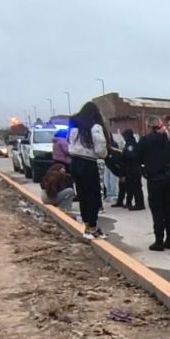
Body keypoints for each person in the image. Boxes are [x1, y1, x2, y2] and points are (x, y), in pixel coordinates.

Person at [69, 101, 109, 240]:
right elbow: (100, 147)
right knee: (93, 195)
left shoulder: (75, 128)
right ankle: (92, 226)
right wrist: (103, 155)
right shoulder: (95, 127)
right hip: (88, 163)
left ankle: (87, 226)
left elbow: (70, 143)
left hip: (74, 162)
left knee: (83, 196)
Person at [139, 116, 170, 251]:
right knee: (169, 210)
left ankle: (159, 240)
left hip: (154, 180)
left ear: (149, 126)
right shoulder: (167, 141)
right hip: (168, 180)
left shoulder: (145, 141)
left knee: (157, 211)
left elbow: (139, 158)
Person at [121, 129, 145, 210]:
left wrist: (124, 156)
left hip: (133, 168)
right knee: (130, 187)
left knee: (136, 186)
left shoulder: (131, 145)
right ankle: (129, 202)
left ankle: (139, 204)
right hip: (132, 168)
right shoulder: (131, 144)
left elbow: (131, 156)